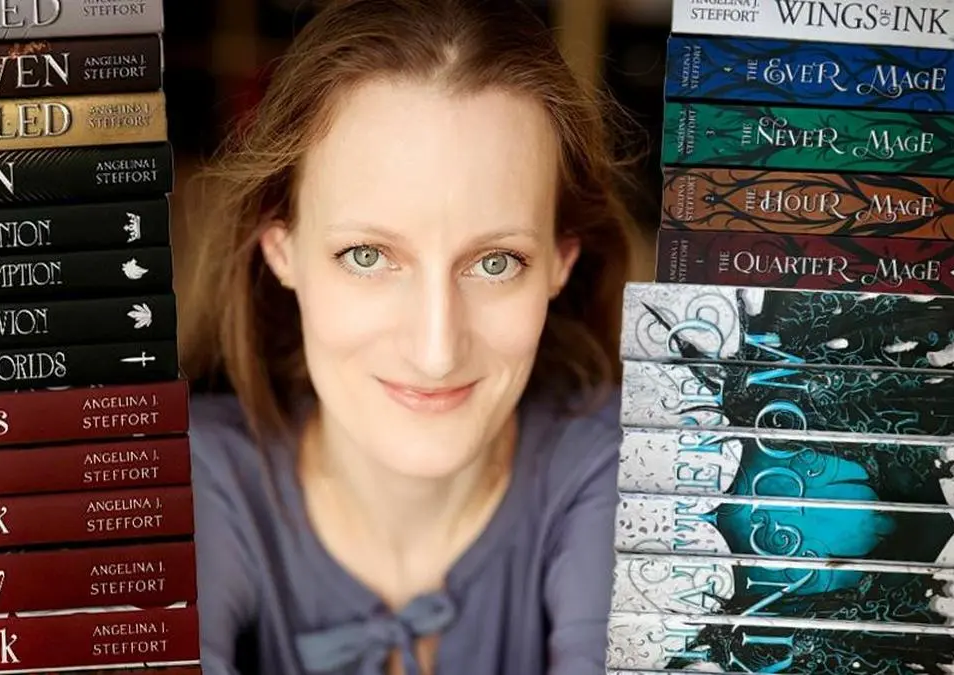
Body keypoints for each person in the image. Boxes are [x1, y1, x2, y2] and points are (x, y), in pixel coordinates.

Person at [174, 0, 643, 672]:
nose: (436, 351)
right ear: (281, 250)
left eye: (495, 262)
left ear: (559, 264)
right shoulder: (180, 475)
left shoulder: (628, 471)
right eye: (367, 256)